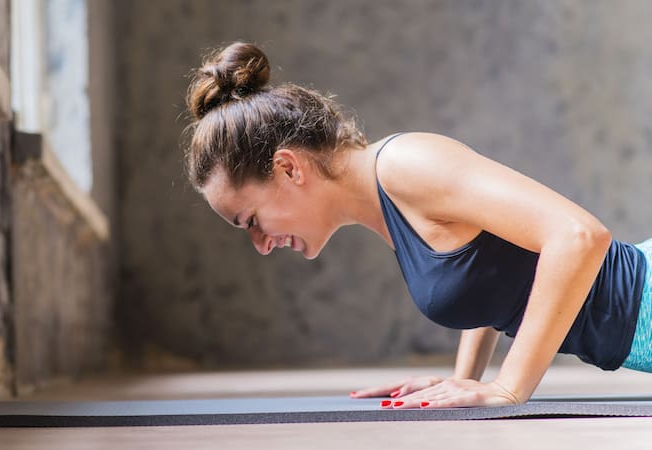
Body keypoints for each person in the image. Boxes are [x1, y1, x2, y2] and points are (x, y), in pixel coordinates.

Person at [182, 41, 652, 409]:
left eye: (251, 221)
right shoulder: (387, 202)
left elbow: (577, 236)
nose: (261, 244)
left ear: (288, 168)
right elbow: (498, 267)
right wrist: (464, 381)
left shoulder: (405, 165)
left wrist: (509, 387)